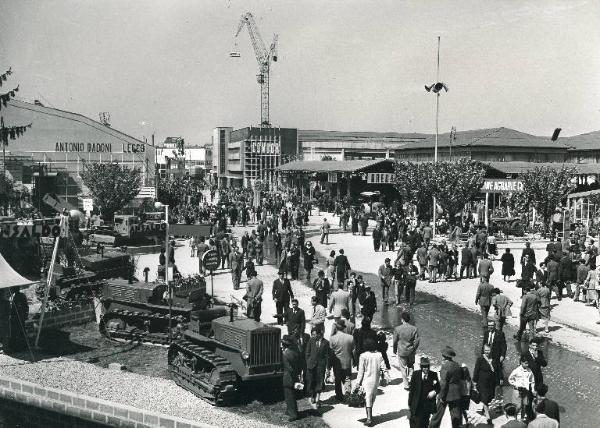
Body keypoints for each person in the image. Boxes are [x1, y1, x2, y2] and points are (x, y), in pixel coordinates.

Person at [354, 338, 390, 426]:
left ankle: (369, 418)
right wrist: (387, 376)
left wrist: (358, 383)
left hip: (367, 380)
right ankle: (369, 416)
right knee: (372, 397)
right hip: (376, 380)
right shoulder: (379, 355)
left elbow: (361, 372)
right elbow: (384, 367)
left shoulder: (363, 356)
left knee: (367, 398)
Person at [429, 346, 463, 428]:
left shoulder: (445, 367)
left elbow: (443, 384)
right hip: (456, 394)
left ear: (444, 356)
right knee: (456, 416)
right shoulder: (457, 365)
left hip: (446, 394)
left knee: (437, 415)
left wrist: (441, 396)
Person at [408, 356, 440, 428]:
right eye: (424, 366)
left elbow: (438, 388)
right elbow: (411, 391)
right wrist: (410, 405)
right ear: (420, 366)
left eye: (427, 366)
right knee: (415, 423)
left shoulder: (433, 375)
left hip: (427, 405)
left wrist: (434, 392)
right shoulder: (415, 375)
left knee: (425, 423)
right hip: (417, 404)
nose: (426, 368)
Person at [393, 312, 420, 390]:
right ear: (409, 319)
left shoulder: (397, 329)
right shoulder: (414, 328)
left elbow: (395, 341)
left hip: (402, 351)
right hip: (411, 351)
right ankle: (412, 380)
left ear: (402, 319)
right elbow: (417, 341)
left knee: (403, 368)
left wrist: (394, 349)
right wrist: (414, 348)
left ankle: (406, 385)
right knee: (411, 365)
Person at [329, 319, 354, 401]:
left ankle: (339, 395)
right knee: (347, 378)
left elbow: (331, 353)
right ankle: (347, 392)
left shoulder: (332, 338)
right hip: (347, 361)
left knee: (337, 378)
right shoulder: (350, 337)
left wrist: (329, 365)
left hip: (337, 362)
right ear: (343, 328)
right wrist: (355, 360)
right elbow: (353, 350)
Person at [305, 326, 330, 407]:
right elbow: (307, 353)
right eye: (312, 334)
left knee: (319, 382)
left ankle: (318, 400)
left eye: (314, 334)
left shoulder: (326, 343)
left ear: (319, 334)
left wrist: (327, 368)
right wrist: (308, 362)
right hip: (311, 365)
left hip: (321, 366)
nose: (313, 336)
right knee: (311, 381)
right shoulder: (311, 341)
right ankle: (313, 395)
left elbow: (327, 356)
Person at [473, 344, 497, 424]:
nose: (487, 352)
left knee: (491, 396)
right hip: (482, 382)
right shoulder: (480, 359)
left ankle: (482, 405)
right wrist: (474, 381)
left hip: (491, 382)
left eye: (488, 350)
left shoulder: (494, 358)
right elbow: (476, 370)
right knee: (485, 397)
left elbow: (498, 369)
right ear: (483, 350)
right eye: (485, 350)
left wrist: (499, 378)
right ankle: (488, 417)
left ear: (491, 350)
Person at [508, 356, 536, 421]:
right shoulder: (516, 370)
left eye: (528, 363)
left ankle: (522, 419)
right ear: (521, 362)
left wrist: (532, 390)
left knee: (525, 406)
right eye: (525, 363)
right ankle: (514, 418)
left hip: (526, 391)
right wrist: (515, 384)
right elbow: (510, 379)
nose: (527, 365)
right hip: (517, 391)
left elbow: (532, 381)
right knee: (518, 406)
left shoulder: (530, 371)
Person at [281, 335, 301, 422]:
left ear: (284, 345)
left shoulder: (285, 354)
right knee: (291, 395)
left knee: (289, 396)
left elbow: (288, 367)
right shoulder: (295, 352)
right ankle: (289, 410)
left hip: (288, 377)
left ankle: (293, 414)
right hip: (294, 376)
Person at [483, 319, 507, 388]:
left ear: (494, 326)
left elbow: (504, 346)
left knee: (498, 367)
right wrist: (483, 354)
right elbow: (484, 344)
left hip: (497, 355)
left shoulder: (500, 333)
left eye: (492, 325)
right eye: (489, 325)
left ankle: (500, 381)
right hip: (488, 354)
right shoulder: (486, 333)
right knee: (488, 366)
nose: (490, 327)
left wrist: (502, 355)